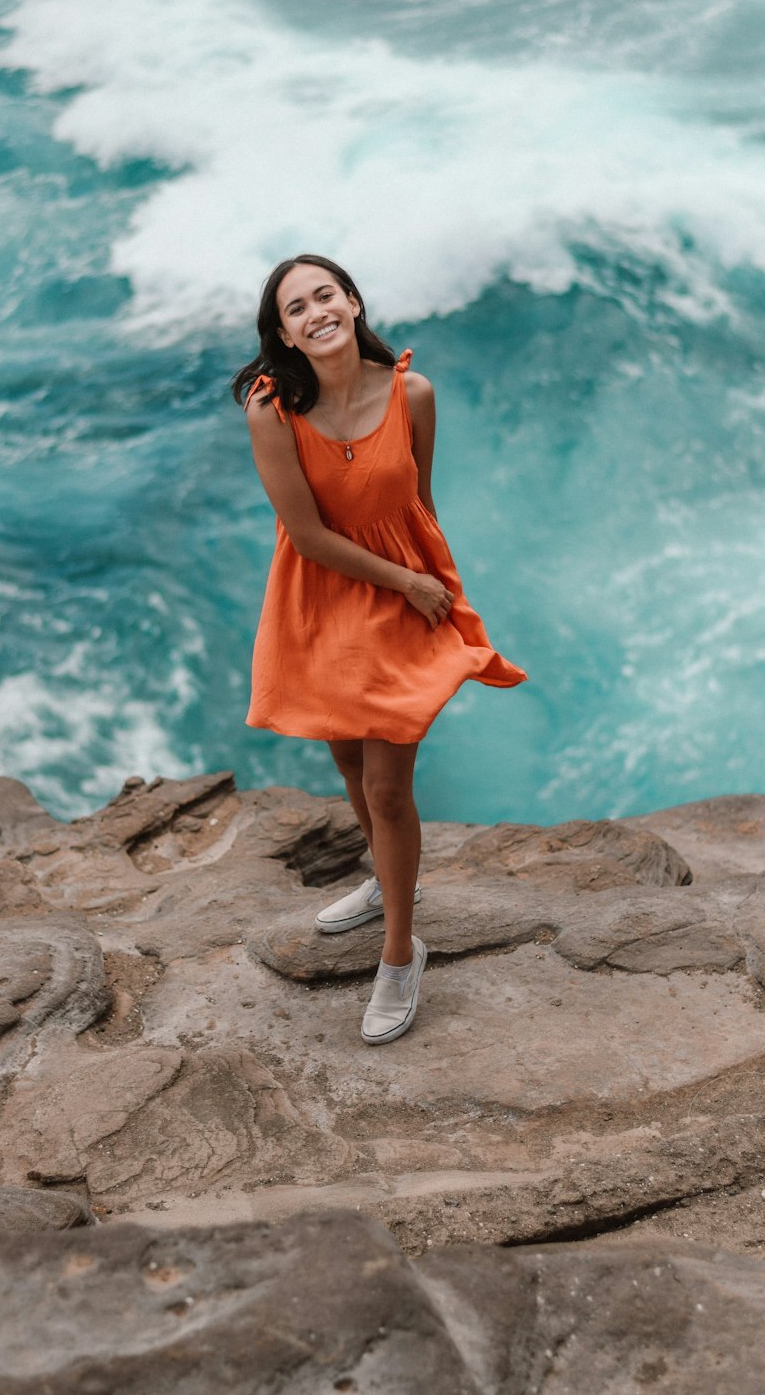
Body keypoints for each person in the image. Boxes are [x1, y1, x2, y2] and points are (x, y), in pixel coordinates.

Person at [233, 254, 526, 1045]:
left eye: (325, 294)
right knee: (349, 765)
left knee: (390, 787)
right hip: (322, 595)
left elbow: (419, 504)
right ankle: (384, 878)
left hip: (402, 597)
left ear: (353, 302)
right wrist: (403, 580)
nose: (315, 312)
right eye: (296, 308)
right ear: (285, 335)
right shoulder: (272, 411)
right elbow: (307, 536)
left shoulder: (412, 394)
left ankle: (399, 952)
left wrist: (435, 592)